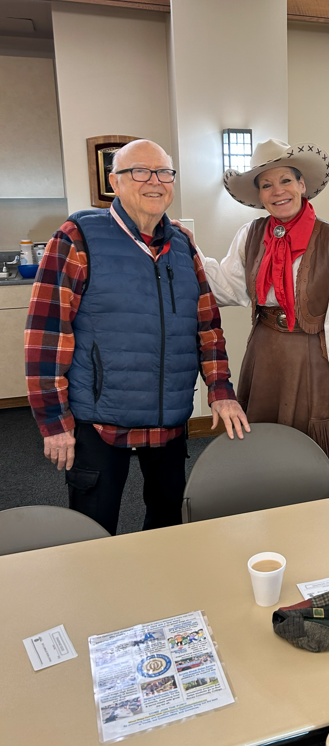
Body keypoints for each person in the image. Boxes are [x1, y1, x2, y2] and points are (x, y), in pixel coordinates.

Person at [25, 139, 249, 535]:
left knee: (168, 525)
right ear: (116, 181)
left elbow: (207, 325)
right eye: (140, 172)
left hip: (168, 418)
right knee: (92, 531)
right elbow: (46, 334)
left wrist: (220, 388)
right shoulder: (77, 237)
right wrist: (53, 421)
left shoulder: (183, 245)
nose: (155, 182)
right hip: (98, 419)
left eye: (164, 172)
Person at [180, 139, 329, 494]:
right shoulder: (250, 236)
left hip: (313, 358)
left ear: (302, 186)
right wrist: (192, 249)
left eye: (285, 181)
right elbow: (229, 288)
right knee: (262, 445)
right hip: (264, 352)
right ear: (259, 195)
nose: (277, 191)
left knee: (309, 447)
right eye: (266, 184)